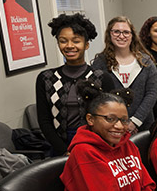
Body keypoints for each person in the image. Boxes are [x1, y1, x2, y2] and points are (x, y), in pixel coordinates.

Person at [36, 13, 111, 156]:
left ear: (86, 44)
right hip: (60, 145)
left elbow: (109, 116)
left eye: (76, 41)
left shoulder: (101, 78)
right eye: (63, 41)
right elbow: (44, 120)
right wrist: (64, 150)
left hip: (96, 144)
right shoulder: (46, 78)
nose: (69, 46)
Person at [92, 16, 157, 133]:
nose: (121, 36)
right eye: (116, 31)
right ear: (109, 34)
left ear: (132, 35)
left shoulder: (146, 62)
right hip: (111, 128)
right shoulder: (100, 63)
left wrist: (135, 121)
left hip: (143, 125)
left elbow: (151, 94)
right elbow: (98, 97)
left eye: (126, 32)